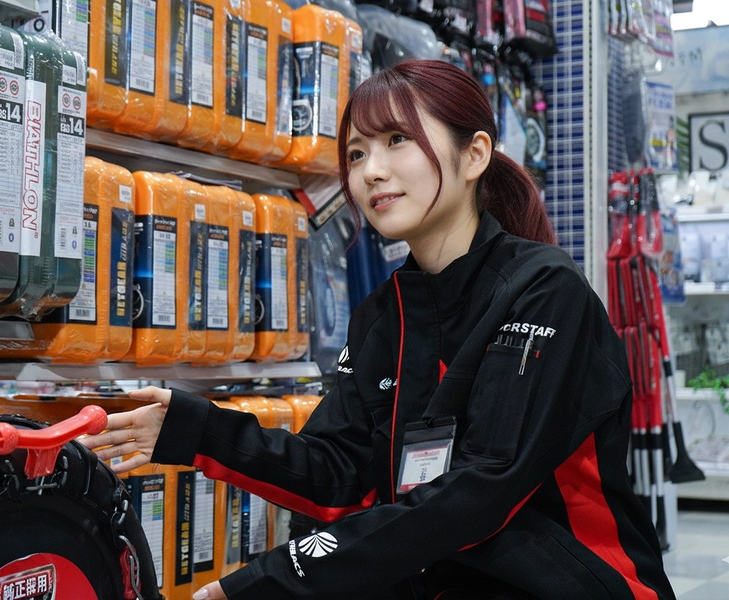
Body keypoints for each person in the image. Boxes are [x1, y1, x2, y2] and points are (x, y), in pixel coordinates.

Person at [81, 60, 675, 600]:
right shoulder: (381, 316)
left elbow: (480, 489)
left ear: (474, 156)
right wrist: (193, 429)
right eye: (357, 153)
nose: (372, 171)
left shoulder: (545, 291)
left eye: (397, 140)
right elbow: (337, 473)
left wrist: (270, 582)